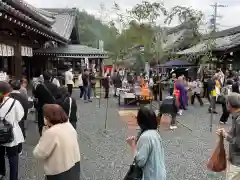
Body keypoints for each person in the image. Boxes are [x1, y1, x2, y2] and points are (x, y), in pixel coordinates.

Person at [33, 104, 80, 180]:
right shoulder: (69, 126)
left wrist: (44, 133)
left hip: (58, 172)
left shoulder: (51, 133)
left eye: (45, 116)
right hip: (74, 165)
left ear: (49, 118)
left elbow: (38, 153)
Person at [126, 107, 166, 180]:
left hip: (150, 176)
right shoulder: (155, 133)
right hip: (159, 174)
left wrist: (133, 145)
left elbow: (139, 161)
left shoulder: (146, 137)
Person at [0, 82, 25, 180]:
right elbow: (19, 117)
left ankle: (1, 172)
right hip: (11, 133)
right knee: (13, 157)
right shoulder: (14, 102)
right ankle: (13, 177)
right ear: (8, 91)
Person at [216, 93, 240, 180]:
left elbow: (238, 142)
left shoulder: (238, 120)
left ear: (229, 104)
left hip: (237, 162)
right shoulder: (236, 116)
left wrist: (226, 135)